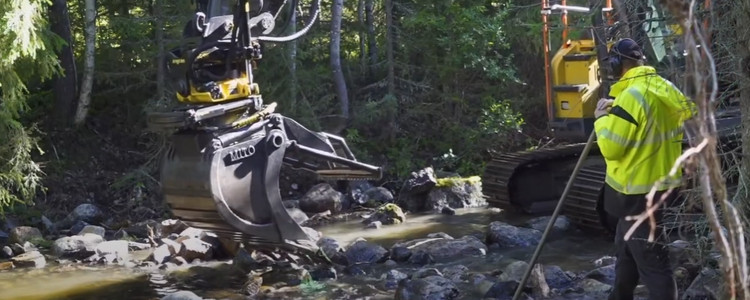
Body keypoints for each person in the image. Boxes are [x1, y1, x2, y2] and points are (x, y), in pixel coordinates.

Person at [593, 38, 695, 300]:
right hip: (662, 187)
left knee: (654, 266)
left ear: (617, 64)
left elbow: (612, 149)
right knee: (626, 253)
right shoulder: (664, 87)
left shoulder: (630, 96)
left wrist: (602, 119)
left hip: (635, 194)